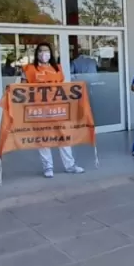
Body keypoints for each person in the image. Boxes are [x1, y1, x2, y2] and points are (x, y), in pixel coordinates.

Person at [23, 43, 85, 176]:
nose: (43, 54)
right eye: (41, 51)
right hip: (39, 110)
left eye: (46, 51)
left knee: (64, 137)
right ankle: (48, 167)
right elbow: (23, 89)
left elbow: (62, 88)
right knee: (43, 138)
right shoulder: (29, 69)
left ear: (51, 53)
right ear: (37, 53)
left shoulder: (57, 68)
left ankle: (70, 165)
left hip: (58, 109)